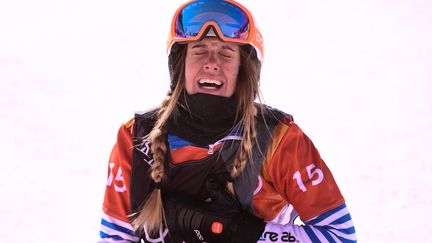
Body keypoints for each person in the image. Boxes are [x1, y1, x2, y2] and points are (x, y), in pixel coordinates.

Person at [98, 0, 357, 242]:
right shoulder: (137, 139)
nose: (212, 63)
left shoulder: (279, 140)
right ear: (180, 65)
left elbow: (340, 235)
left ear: (243, 70)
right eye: (199, 50)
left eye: (226, 53)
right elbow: (115, 236)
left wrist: (241, 232)